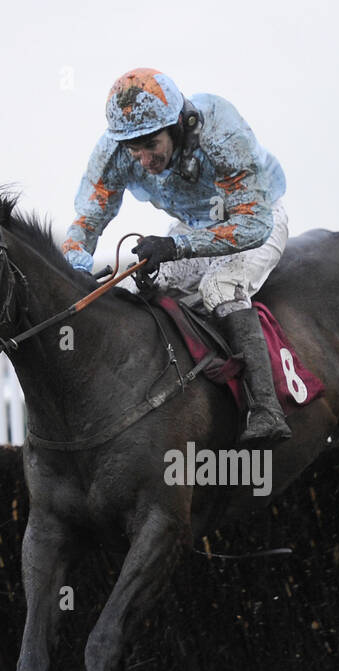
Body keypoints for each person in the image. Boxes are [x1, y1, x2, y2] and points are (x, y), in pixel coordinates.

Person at [61, 68, 292, 444]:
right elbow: (86, 222)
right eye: (134, 150)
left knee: (219, 286)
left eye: (151, 145)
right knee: (145, 289)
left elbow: (254, 225)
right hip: (195, 225)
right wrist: (74, 271)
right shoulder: (114, 150)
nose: (143, 160)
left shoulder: (220, 130)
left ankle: (266, 410)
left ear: (179, 126)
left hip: (256, 216)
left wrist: (176, 247)